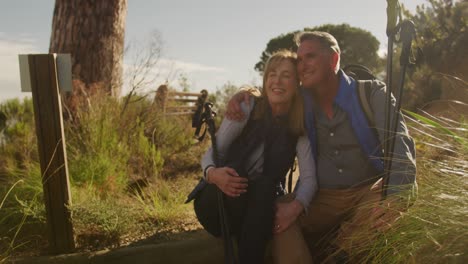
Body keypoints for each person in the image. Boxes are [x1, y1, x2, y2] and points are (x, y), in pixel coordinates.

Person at [226, 31, 417, 263]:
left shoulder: (373, 93)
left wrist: (395, 199)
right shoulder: (300, 101)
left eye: (310, 57)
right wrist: (244, 93)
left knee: (392, 192)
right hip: (322, 198)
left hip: (369, 191)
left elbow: (401, 146)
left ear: (334, 59)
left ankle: (341, 254)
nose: (302, 65)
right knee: (279, 209)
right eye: (299, 60)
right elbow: (272, 91)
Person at [191, 50, 317, 264]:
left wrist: (295, 208)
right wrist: (214, 175)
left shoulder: (298, 126)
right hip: (218, 203)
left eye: (286, 75)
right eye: (272, 74)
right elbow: (211, 153)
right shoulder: (246, 107)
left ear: (297, 84)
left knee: (266, 187)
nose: (277, 81)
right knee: (245, 178)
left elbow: (309, 179)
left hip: (260, 204)